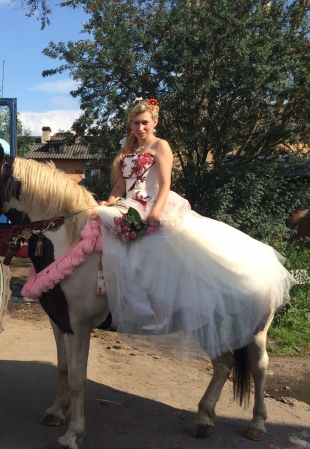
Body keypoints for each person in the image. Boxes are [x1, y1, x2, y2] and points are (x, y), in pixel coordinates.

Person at [96, 99, 295, 358]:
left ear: (154, 122)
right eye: (136, 123)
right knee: (103, 233)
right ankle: (118, 302)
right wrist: (108, 203)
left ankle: (162, 309)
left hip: (156, 204)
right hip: (129, 205)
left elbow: (166, 183)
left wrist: (156, 212)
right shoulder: (126, 149)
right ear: (130, 125)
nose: (141, 127)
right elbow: (119, 188)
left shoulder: (160, 146)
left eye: (145, 122)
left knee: (159, 249)